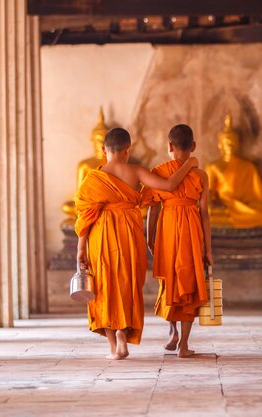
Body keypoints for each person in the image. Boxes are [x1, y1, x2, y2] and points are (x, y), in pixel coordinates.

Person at [75, 127, 198, 360]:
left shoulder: (93, 177)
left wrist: (81, 248)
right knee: (127, 283)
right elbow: (170, 185)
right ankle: (124, 330)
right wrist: (189, 164)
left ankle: (115, 345)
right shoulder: (136, 171)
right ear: (128, 149)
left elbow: (85, 216)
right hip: (129, 234)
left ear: (104, 150)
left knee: (103, 285)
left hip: (100, 235)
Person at [143, 124, 213, 358]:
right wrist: (209, 250)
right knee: (189, 283)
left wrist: (149, 238)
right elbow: (205, 214)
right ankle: (183, 345)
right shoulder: (200, 175)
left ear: (169, 146)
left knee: (170, 280)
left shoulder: (159, 171)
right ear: (193, 146)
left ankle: (171, 331)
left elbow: (152, 209)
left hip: (167, 228)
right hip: (192, 230)